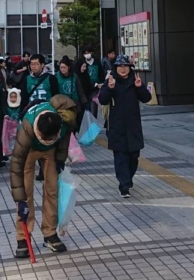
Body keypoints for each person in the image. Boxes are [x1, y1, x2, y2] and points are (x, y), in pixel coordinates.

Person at [9, 94, 78, 258]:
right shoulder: (26, 129)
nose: (48, 139)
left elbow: (65, 137)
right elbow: (16, 165)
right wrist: (19, 199)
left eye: (52, 137)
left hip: (50, 152)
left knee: (52, 190)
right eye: (45, 138)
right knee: (26, 193)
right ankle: (23, 237)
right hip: (29, 151)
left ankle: (50, 233)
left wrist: (60, 157)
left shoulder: (63, 119)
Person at [97, 55, 151, 198]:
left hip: (133, 126)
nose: (122, 69)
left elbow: (147, 98)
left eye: (125, 66)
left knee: (134, 156)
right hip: (117, 126)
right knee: (120, 157)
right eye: (119, 66)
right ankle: (124, 186)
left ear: (129, 68)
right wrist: (109, 88)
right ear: (115, 68)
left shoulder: (135, 80)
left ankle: (128, 178)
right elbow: (102, 100)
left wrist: (140, 87)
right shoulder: (111, 80)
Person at [57, 56, 88, 125]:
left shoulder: (74, 76)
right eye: (61, 67)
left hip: (75, 104)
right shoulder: (56, 76)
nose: (62, 69)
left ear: (68, 67)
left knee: (77, 124)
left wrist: (85, 102)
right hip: (62, 105)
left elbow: (80, 91)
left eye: (64, 67)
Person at [75, 48, 104, 112]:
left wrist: (98, 84)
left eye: (88, 53)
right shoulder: (76, 76)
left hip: (91, 93)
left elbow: (101, 74)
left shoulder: (96, 62)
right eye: (85, 53)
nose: (84, 68)